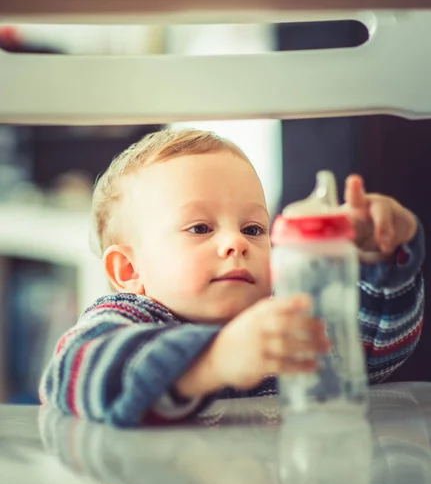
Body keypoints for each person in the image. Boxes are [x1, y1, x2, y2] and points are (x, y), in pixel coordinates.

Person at [39, 128, 425, 427]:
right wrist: (214, 360)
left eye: (253, 229)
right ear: (129, 270)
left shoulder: (281, 320)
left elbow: (370, 352)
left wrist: (379, 256)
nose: (236, 243)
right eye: (201, 227)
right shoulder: (126, 318)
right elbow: (74, 371)